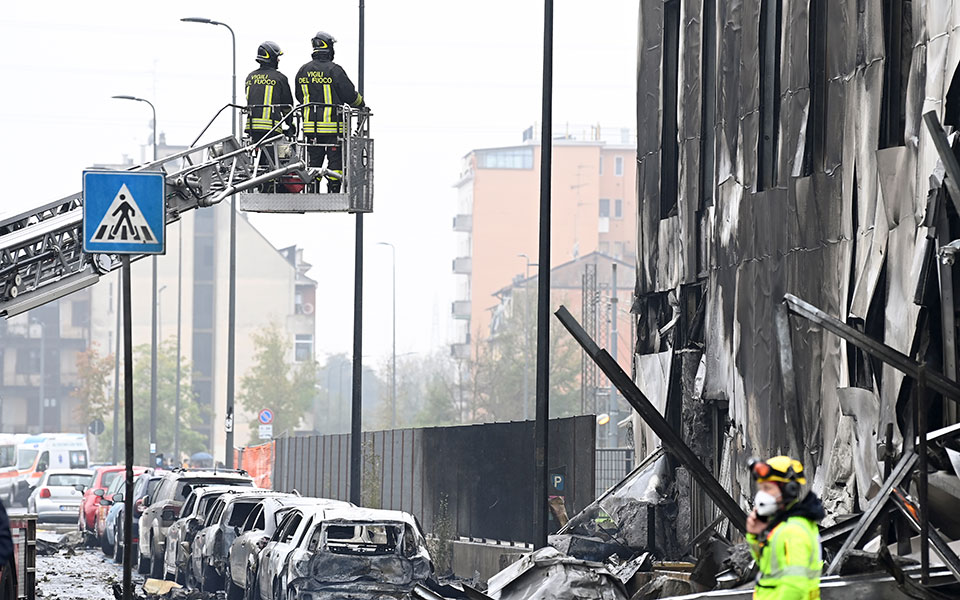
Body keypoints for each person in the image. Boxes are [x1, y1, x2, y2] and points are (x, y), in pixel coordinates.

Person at [295, 31, 365, 193]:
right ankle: (333, 190)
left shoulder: (302, 71)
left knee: (314, 162)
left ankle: (312, 190)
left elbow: (300, 97)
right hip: (334, 129)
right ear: (329, 48)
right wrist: (361, 104)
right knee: (335, 164)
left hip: (310, 129)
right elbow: (349, 95)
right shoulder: (335, 70)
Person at [746, 456, 824, 599]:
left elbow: (795, 586)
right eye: (761, 488)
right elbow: (767, 567)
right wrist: (755, 536)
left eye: (768, 488)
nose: (762, 494)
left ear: (789, 490)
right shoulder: (783, 526)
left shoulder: (793, 531)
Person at [244, 41, 295, 143]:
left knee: (258, 157)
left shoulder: (250, 77)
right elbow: (287, 106)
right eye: (277, 57)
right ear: (271, 57)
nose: (278, 60)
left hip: (252, 128)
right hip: (272, 128)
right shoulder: (280, 78)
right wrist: (290, 124)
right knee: (275, 157)